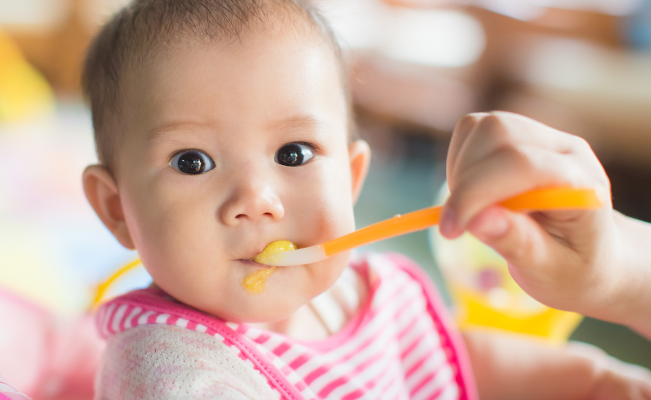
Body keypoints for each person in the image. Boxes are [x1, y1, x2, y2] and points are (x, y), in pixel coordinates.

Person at [80, 0, 651, 398]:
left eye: (295, 153)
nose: (256, 200)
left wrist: (598, 384)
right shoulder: (170, 369)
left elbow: (455, 365)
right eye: (192, 162)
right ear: (116, 209)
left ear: (352, 180)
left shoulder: (375, 294)